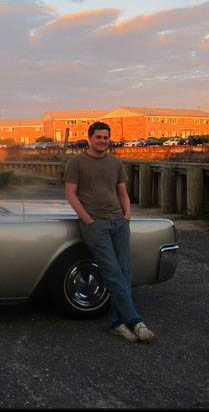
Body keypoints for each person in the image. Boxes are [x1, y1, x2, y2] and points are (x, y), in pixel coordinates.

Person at [64, 121, 155, 343]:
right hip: (96, 225)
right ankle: (135, 321)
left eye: (106, 137)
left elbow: (122, 191)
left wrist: (127, 215)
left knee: (125, 271)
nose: (103, 141)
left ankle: (116, 322)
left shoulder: (115, 163)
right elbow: (71, 194)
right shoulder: (77, 162)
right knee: (113, 272)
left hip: (119, 222)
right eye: (99, 137)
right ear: (90, 138)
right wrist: (88, 220)